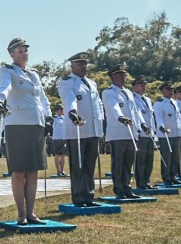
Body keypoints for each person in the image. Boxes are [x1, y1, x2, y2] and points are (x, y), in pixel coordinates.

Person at [0, 38, 52, 224]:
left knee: (33, 171)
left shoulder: (34, 74)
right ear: (12, 54)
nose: (23, 53)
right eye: (19, 51)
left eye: (25, 50)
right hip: (17, 124)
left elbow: (42, 97)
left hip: (36, 123)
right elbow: (5, 87)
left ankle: (31, 213)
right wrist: (0, 99)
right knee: (19, 172)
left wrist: (48, 116)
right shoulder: (8, 70)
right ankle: (21, 214)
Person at [58, 52, 105, 207]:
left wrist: (101, 124)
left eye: (85, 63)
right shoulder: (67, 82)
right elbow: (69, 99)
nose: (84, 67)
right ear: (72, 66)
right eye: (80, 64)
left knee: (90, 164)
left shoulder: (92, 83)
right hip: (77, 129)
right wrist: (72, 112)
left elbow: (98, 105)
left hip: (92, 129)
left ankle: (89, 196)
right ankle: (79, 197)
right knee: (78, 165)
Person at [101, 64, 143, 199]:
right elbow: (113, 107)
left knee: (128, 162)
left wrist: (139, 126)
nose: (123, 77)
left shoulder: (129, 92)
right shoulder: (108, 92)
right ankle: (118, 188)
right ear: (113, 77)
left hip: (131, 132)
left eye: (124, 75)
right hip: (117, 131)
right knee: (118, 162)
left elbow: (134, 111)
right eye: (120, 75)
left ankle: (127, 187)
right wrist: (120, 117)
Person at [154, 83, 181, 185]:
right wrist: (161, 126)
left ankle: (173, 175)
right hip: (165, 133)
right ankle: (166, 177)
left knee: (175, 156)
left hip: (176, 133)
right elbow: (159, 117)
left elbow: (178, 119)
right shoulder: (159, 103)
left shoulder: (175, 103)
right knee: (167, 156)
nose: (171, 91)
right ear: (162, 91)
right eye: (168, 89)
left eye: (172, 89)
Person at [51, 105, 68, 176]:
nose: (61, 111)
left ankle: (62, 170)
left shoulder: (65, 118)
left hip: (63, 138)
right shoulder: (54, 118)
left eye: (62, 109)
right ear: (57, 110)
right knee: (57, 155)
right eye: (60, 109)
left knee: (63, 155)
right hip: (56, 139)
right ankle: (58, 171)